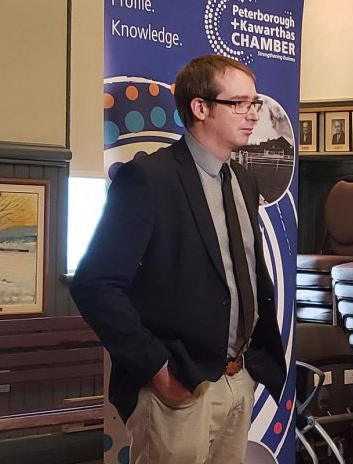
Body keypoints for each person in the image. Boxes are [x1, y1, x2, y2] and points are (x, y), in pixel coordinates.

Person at [70, 54, 286, 464]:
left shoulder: (243, 179)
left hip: (238, 379)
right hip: (178, 385)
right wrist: (157, 369)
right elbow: (95, 284)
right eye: (239, 103)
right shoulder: (150, 179)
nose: (252, 115)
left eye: (255, 103)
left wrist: (251, 371)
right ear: (200, 108)